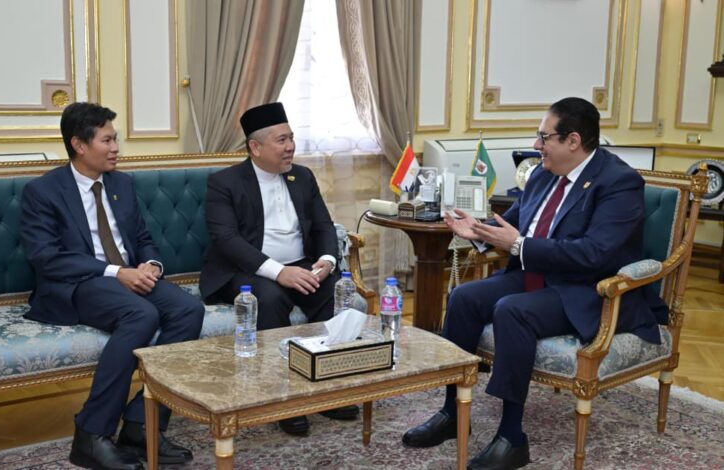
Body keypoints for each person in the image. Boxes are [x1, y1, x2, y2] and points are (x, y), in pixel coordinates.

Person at [402, 97, 667, 469]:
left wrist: (518, 245)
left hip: (586, 290)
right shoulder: (542, 174)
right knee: (463, 297)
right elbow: (513, 225)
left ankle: (511, 437)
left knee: (512, 311)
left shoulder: (619, 183)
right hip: (537, 275)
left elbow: (594, 254)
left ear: (573, 141)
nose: (536, 145)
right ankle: (451, 412)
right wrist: (477, 232)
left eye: (545, 137)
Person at [21, 102, 205, 470]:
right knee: (142, 315)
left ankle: (141, 423)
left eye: (116, 139)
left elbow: (142, 238)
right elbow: (46, 258)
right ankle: (91, 434)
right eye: (106, 140)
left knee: (189, 309)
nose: (116, 148)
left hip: (128, 275)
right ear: (79, 145)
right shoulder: (43, 191)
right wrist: (116, 272)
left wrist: (151, 265)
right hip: (78, 283)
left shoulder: (122, 184)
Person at [199, 102, 358, 435]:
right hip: (247, 271)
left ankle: (327, 388)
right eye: (281, 140)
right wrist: (278, 271)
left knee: (334, 292)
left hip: (302, 265)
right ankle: (282, 397)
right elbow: (227, 240)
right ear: (255, 147)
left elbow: (324, 225)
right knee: (269, 298)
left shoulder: (303, 176)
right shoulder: (224, 182)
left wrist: (327, 261)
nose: (290, 147)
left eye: (291, 138)